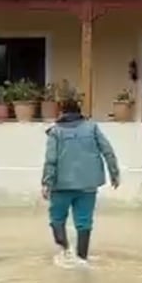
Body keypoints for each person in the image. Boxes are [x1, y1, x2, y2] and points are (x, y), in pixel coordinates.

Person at [40, 97, 120, 267]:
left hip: (61, 186)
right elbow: (108, 151)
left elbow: (51, 159)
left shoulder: (56, 132)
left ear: (61, 112)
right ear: (79, 111)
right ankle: (82, 260)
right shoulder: (92, 128)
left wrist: (46, 182)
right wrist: (114, 173)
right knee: (84, 222)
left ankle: (66, 252)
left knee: (57, 219)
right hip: (87, 185)